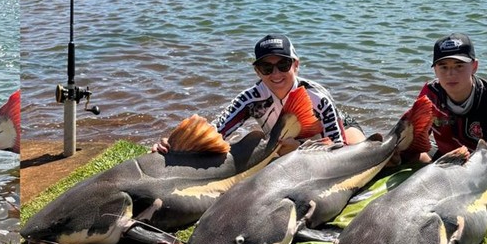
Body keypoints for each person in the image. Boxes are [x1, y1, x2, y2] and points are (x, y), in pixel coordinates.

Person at [154, 33, 364, 154]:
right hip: (284, 142)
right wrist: (175, 146)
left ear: (296, 65)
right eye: (266, 67)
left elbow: (338, 147)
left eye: (283, 64)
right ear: (257, 71)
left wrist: (300, 147)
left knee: (358, 153)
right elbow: (216, 131)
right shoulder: (250, 99)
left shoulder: (318, 98)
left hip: (336, 128)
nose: (276, 73)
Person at [414, 32, 487, 174]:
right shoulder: (430, 94)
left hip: (479, 167)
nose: (451, 73)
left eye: (459, 66)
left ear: (474, 66)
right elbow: (416, 138)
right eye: (443, 66)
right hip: (445, 157)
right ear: (435, 70)